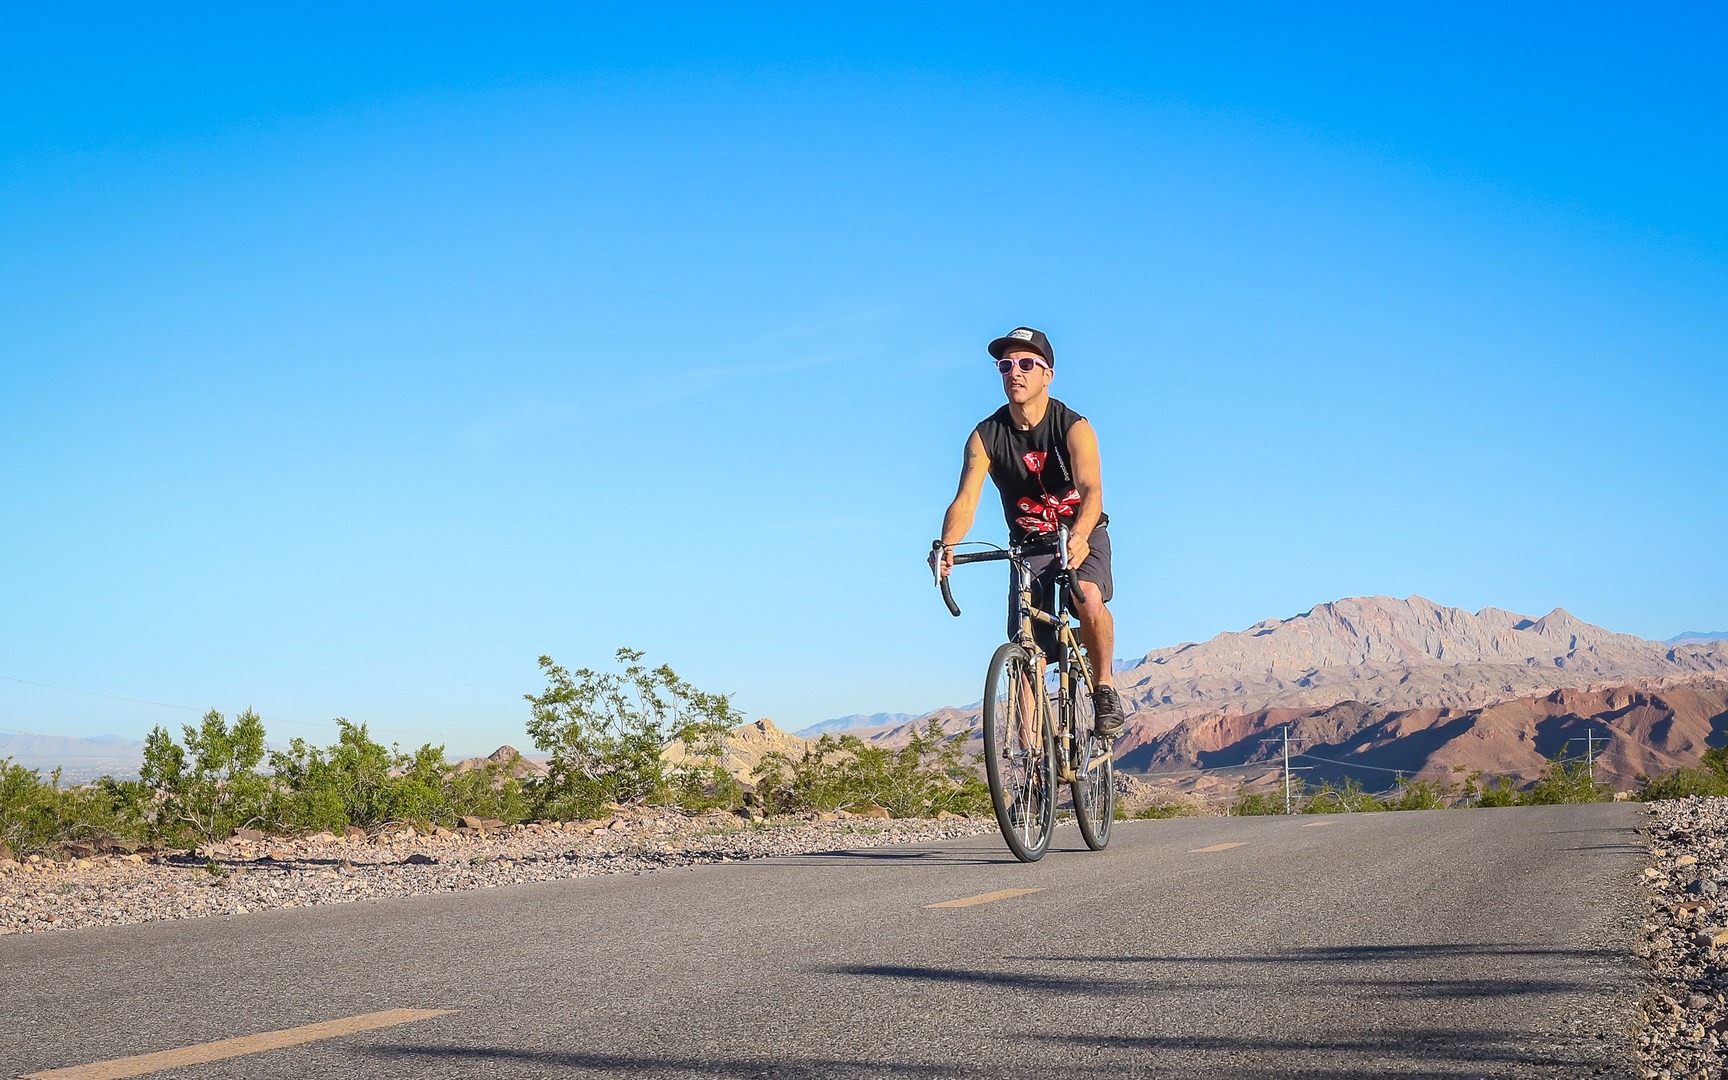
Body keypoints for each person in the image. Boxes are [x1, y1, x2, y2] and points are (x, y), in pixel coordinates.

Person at [932, 326, 1125, 737]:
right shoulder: (985, 436)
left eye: (1025, 364)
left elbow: (1092, 490)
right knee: (1026, 651)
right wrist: (947, 544)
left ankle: (1104, 687)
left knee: (1088, 598)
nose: (1014, 372)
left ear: (1047, 374)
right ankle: (1030, 757)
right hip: (1028, 546)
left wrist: (1081, 534)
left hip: (1080, 532)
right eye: (1005, 366)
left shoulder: (1073, 427)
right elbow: (965, 501)